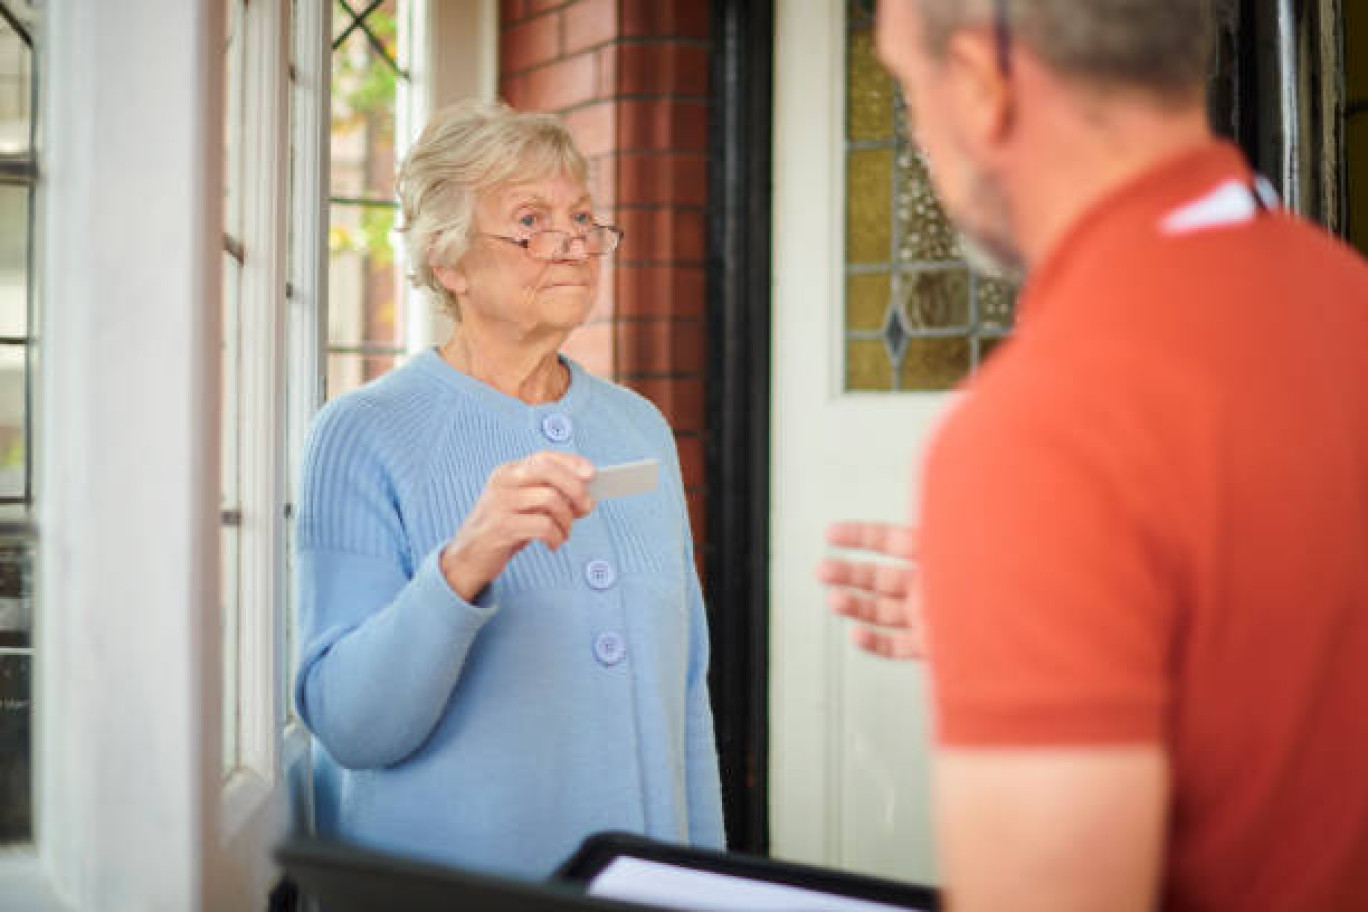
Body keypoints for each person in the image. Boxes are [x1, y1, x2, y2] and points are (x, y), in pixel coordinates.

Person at [819, 1, 1368, 909]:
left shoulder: (1044, 429)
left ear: (985, 85)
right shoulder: (1348, 303)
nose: (917, 135)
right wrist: (1059, 610)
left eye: (909, 88)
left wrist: (1037, 538)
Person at [293, 100, 724, 879]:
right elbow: (351, 726)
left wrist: (703, 884)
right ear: (447, 261)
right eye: (530, 221)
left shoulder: (639, 427)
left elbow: (685, 696)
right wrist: (465, 562)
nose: (572, 244)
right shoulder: (363, 434)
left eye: (583, 217)